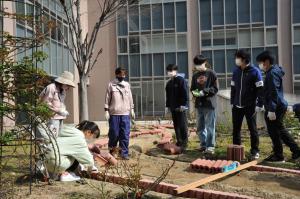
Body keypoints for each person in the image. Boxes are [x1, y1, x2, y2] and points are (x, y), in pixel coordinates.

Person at [256, 51, 300, 162]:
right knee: (276, 131)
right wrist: (261, 104)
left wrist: (271, 110)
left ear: (266, 61)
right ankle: (284, 153)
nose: (260, 65)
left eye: (261, 62)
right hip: (275, 105)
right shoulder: (272, 71)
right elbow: (267, 92)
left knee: (277, 130)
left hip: (276, 107)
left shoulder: (272, 73)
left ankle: (284, 154)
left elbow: (274, 92)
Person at [231, 49, 264, 160]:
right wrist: (232, 101)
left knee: (252, 129)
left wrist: (260, 104)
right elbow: (233, 88)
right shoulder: (236, 71)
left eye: (238, 58)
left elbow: (260, 89)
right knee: (236, 128)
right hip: (236, 106)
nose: (236, 60)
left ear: (244, 59)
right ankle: (236, 149)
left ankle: (255, 151)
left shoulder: (255, 71)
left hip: (250, 106)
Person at [104, 67, 135, 160]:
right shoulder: (111, 85)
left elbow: (130, 98)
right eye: (121, 74)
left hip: (125, 114)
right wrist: (106, 110)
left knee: (125, 134)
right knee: (114, 134)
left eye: (124, 75)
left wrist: (132, 109)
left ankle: (124, 154)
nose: (123, 76)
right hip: (114, 114)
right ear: (116, 74)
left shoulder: (127, 85)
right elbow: (107, 98)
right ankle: (112, 152)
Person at [190, 55, 218, 154]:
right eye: (196, 64)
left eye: (200, 64)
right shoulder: (195, 75)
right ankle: (203, 144)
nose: (198, 66)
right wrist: (196, 93)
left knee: (210, 126)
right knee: (200, 126)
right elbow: (192, 89)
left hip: (209, 103)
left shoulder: (211, 73)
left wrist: (205, 92)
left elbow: (215, 88)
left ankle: (210, 146)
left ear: (205, 62)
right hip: (199, 104)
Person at [40, 71, 75, 137]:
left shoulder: (63, 91)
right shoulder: (51, 87)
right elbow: (45, 103)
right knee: (52, 136)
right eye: (68, 85)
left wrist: (63, 109)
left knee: (58, 136)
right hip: (51, 117)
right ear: (63, 82)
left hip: (60, 117)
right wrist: (58, 110)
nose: (68, 88)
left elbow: (60, 102)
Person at [165, 64, 188, 151]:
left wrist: (183, 104)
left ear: (176, 71)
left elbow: (184, 93)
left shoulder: (181, 80)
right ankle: (179, 141)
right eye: (168, 71)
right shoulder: (169, 83)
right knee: (176, 125)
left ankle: (184, 143)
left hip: (180, 107)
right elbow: (168, 96)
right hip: (173, 107)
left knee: (182, 125)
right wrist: (168, 107)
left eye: (171, 71)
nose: (170, 72)